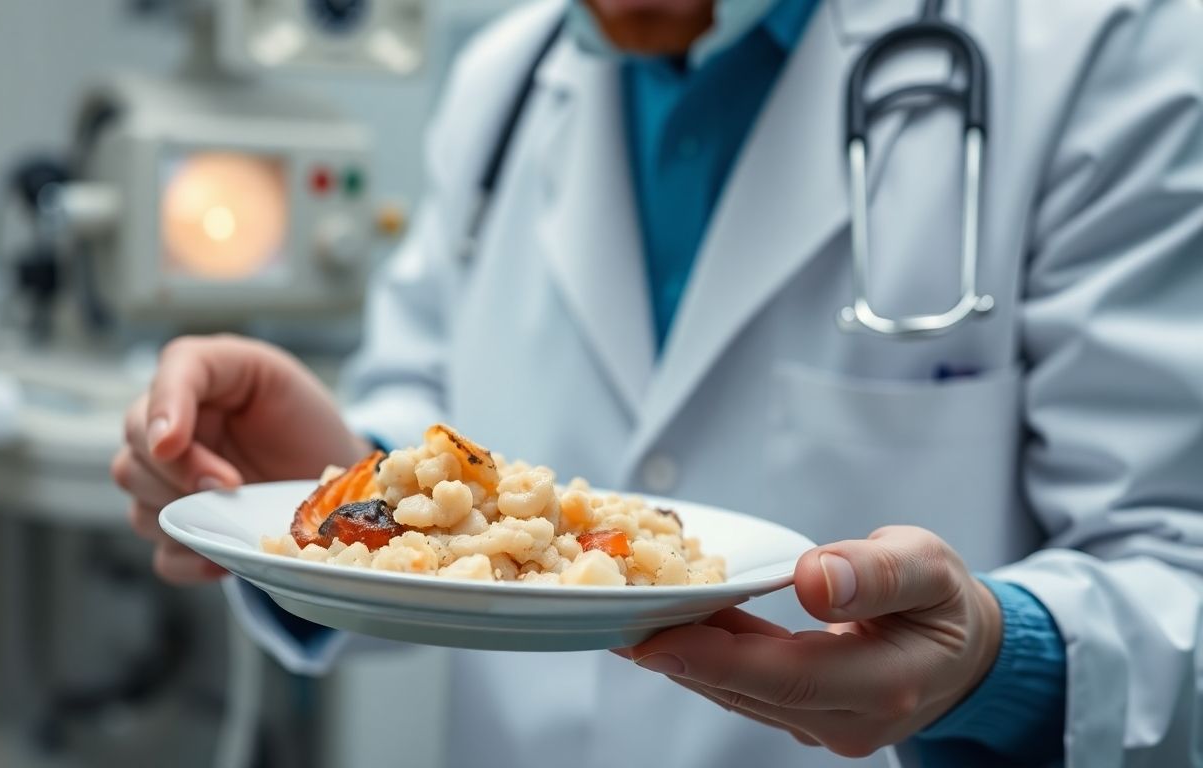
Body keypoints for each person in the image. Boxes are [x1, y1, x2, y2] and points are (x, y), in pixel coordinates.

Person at [110, 0, 1203, 764]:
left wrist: (1001, 661)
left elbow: (1174, 566)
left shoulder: (1103, 49)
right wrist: (336, 486)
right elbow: (444, 433)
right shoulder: (504, 82)